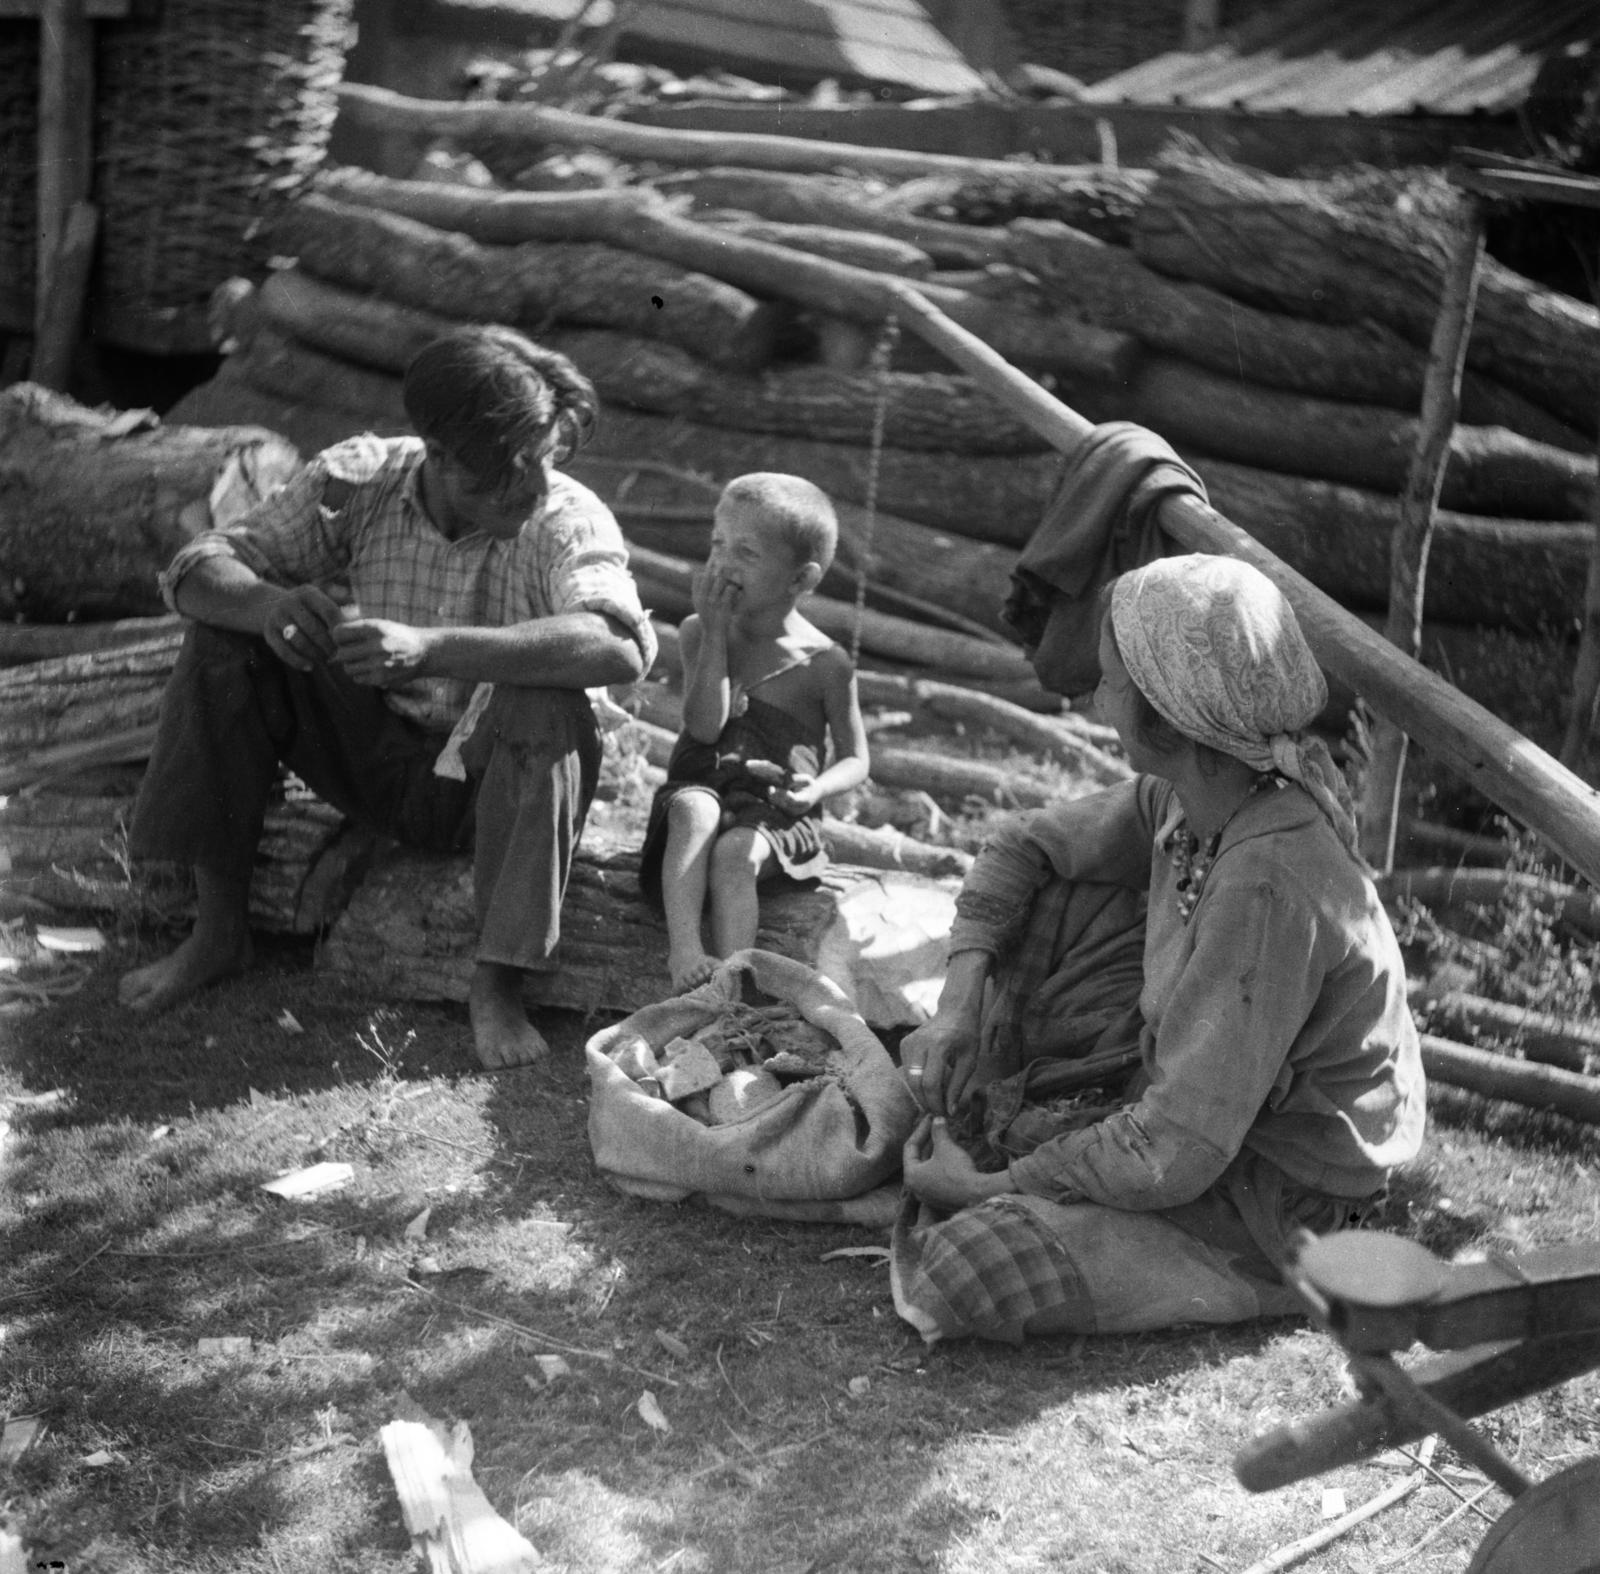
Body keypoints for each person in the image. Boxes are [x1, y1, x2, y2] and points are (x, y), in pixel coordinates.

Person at [893, 553, 1424, 1344]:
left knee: (958, 1273)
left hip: (1283, 1190)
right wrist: (957, 1008)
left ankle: (1250, 1274)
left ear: (1169, 721)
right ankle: (1016, 1145)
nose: (1096, 696)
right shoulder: (1193, 795)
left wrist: (988, 1190)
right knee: (1054, 886)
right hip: (1205, 1114)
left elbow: (1176, 1150)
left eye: (1111, 682)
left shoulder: (1268, 880)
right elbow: (1021, 845)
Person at [118, 325, 656, 1069]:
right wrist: (267, 606)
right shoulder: (359, 486)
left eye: (543, 462)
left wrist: (436, 647)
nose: (530, 488)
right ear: (436, 453)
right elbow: (198, 567)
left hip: (494, 782)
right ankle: (217, 934)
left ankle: (497, 983)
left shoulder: (564, 517)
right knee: (227, 644)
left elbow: (619, 644)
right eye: (502, 474)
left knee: (546, 701)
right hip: (376, 755)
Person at [638, 473, 870, 991]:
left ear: (800, 580)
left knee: (735, 852)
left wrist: (818, 788)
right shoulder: (700, 631)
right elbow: (703, 727)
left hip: (775, 813)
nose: (723, 563)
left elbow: (857, 759)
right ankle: (685, 955)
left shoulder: (826, 664)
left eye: (746, 552)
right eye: (718, 544)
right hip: (702, 788)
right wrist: (716, 634)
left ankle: (736, 981)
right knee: (696, 810)